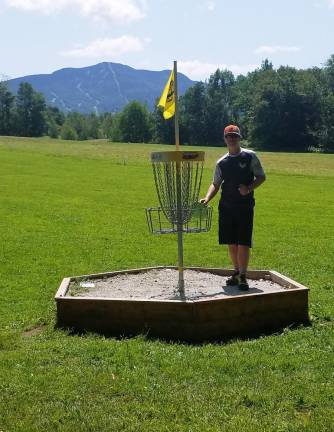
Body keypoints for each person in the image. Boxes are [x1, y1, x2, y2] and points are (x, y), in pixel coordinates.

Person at [200, 124, 266, 290]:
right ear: (225, 139)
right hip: (226, 207)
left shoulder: (250, 156)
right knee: (231, 242)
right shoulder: (222, 162)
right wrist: (207, 198)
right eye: (228, 136)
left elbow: (261, 176)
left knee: (243, 241)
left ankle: (243, 275)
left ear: (239, 137)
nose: (231, 139)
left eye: (234, 136)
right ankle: (236, 272)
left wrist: (249, 188)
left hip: (245, 206)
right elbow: (215, 183)